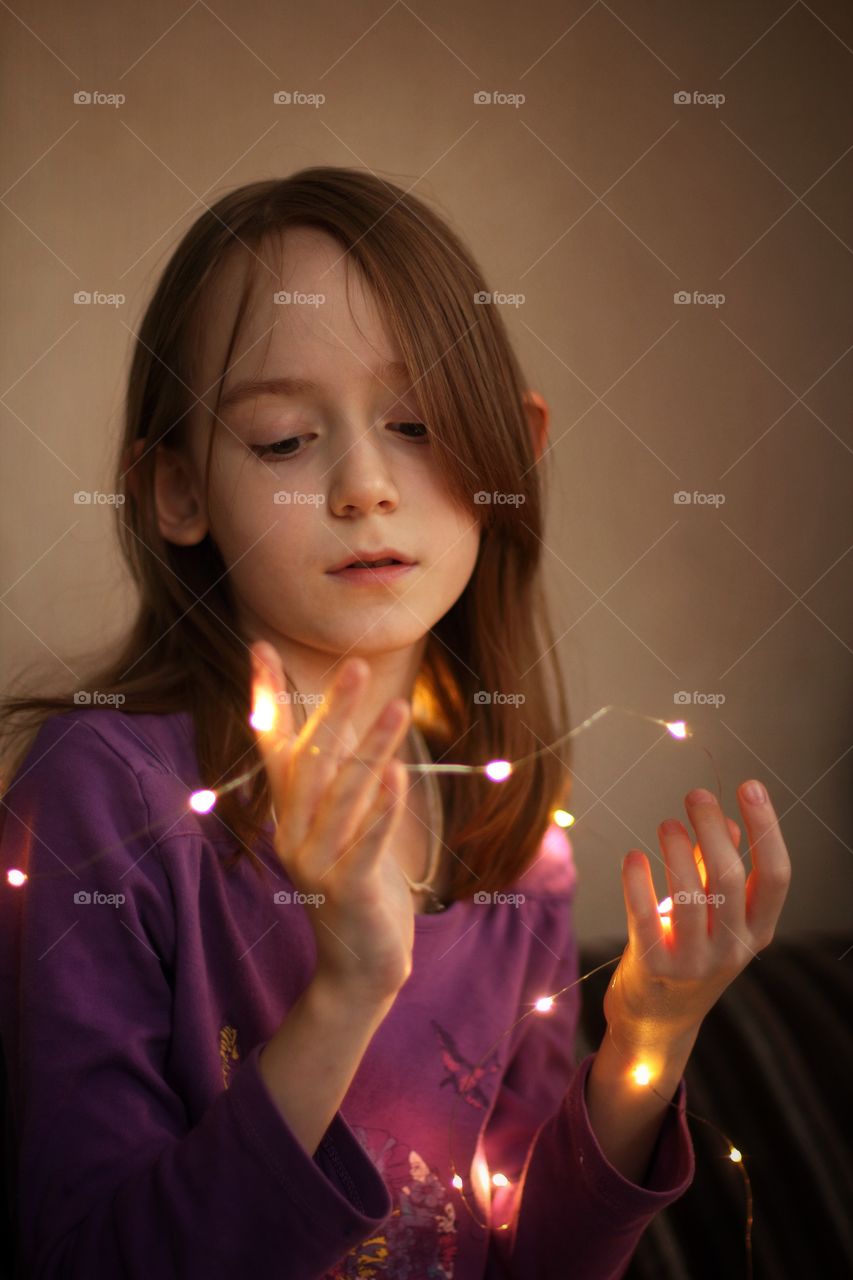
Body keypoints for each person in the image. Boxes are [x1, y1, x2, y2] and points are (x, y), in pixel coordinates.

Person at [0, 167, 791, 1279]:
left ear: (511, 450)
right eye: (283, 439)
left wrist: (647, 1044)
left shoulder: (515, 846)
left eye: (416, 423)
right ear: (176, 490)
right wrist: (348, 987)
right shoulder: (103, 796)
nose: (364, 485)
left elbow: (526, 1258)